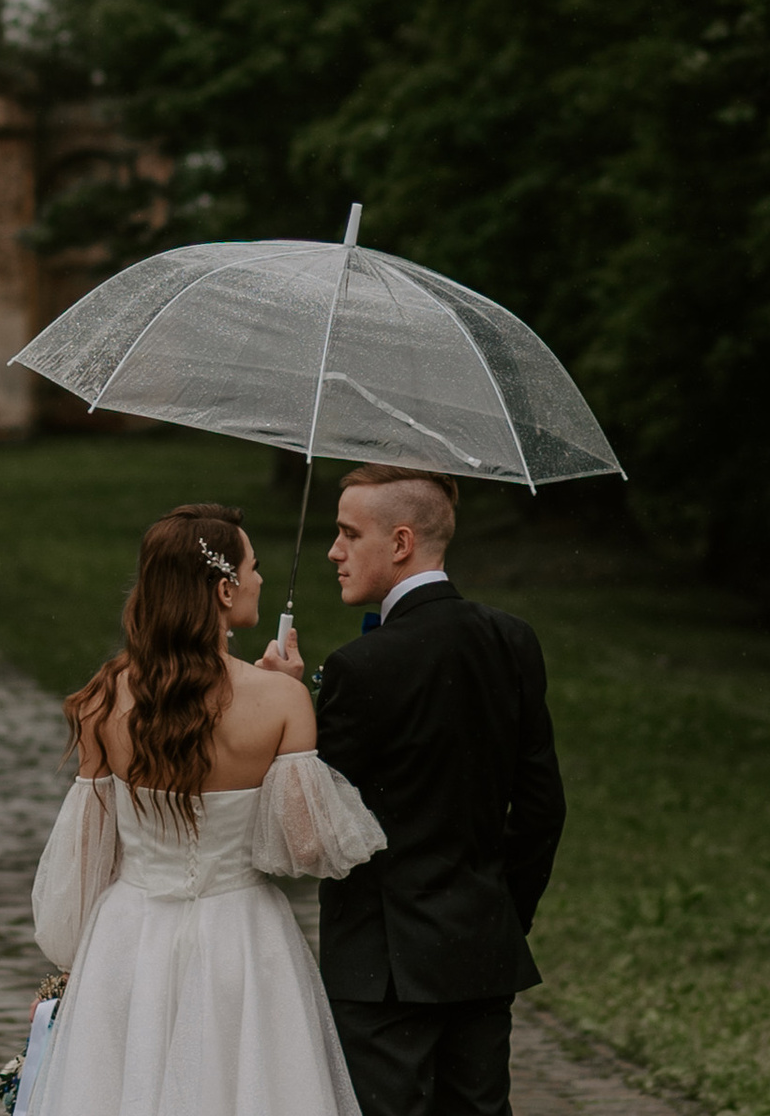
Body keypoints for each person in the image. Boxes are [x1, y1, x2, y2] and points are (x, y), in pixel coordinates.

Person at [23, 502, 386, 1116]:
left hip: (128, 940)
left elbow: (84, 854)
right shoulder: (281, 701)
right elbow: (305, 849)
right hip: (242, 940)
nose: (261, 580)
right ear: (224, 589)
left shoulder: (103, 697)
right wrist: (286, 690)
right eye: (254, 567)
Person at [310, 464, 566, 1116]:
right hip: (481, 947)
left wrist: (287, 706)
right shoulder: (513, 641)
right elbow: (541, 808)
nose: (334, 552)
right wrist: (501, 914)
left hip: (380, 966)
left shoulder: (357, 667)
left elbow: (316, 823)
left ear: (400, 543)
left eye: (347, 533)